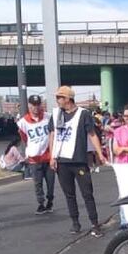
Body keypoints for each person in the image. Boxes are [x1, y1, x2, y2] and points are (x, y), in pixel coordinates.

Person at [47, 86, 106, 236]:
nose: (57, 100)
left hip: (78, 159)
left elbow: (92, 134)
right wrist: (52, 156)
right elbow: (52, 135)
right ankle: (75, 222)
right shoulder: (56, 114)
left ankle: (94, 223)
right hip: (62, 160)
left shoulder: (83, 114)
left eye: (60, 97)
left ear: (68, 98)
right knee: (69, 194)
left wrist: (100, 154)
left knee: (87, 193)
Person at [18, 94, 55, 215]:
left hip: (48, 156)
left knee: (50, 182)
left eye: (38, 105)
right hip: (34, 158)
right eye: (33, 105)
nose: (36, 107)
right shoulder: (23, 122)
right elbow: (24, 138)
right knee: (37, 183)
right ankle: (41, 203)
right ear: (29, 105)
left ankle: (50, 200)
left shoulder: (48, 117)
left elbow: (53, 134)